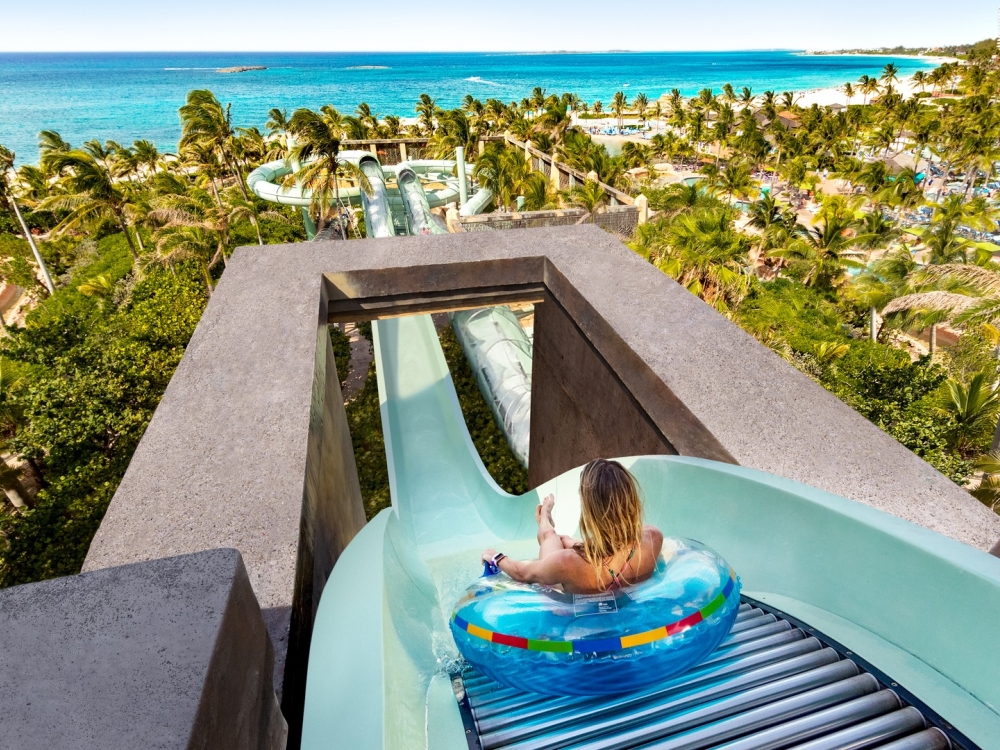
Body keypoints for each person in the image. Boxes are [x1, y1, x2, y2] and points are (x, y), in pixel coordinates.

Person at [481, 459, 664, 594]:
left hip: (572, 593)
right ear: (631, 500)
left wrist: (495, 557)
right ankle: (559, 532)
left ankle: (544, 519)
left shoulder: (565, 562)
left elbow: (522, 574)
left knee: (551, 537)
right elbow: (613, 551)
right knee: (566, 541)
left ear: (590, 511)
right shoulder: (653, 537)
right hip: (613, 591)